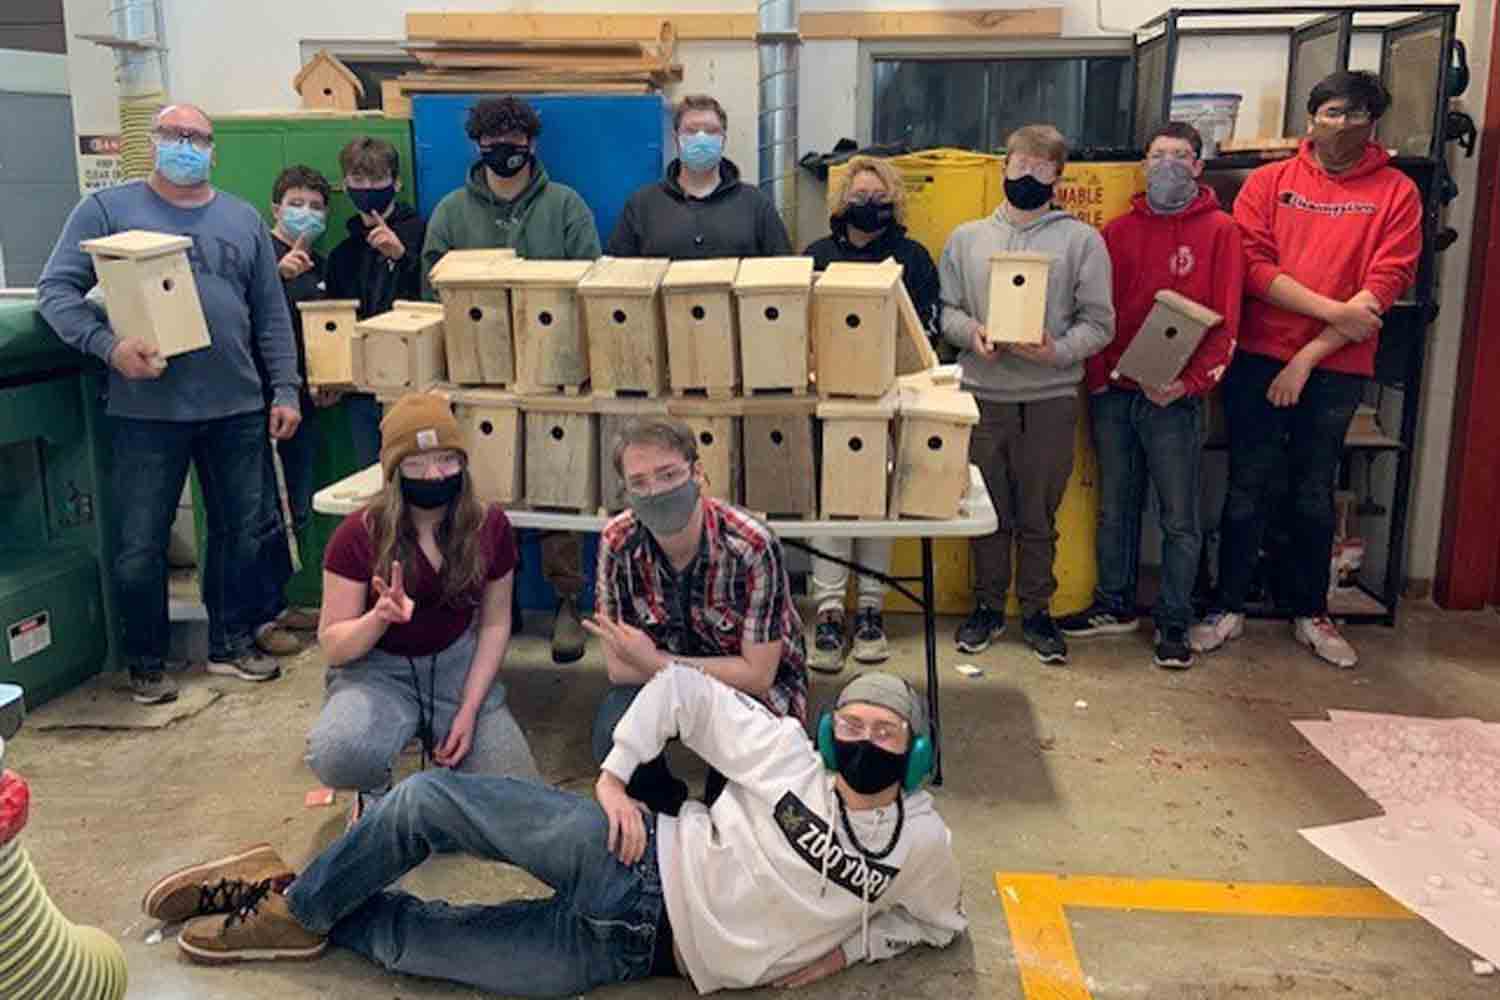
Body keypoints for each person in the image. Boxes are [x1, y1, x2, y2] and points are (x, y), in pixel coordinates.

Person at [150, 669, 966, 997]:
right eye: (851, 725)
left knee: (410, 949)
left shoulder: (923, 848)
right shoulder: (788, 755)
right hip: (637, 860)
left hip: (630, 958)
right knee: (432, 799)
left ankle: (286, 891)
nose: (865, 743)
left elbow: (934, 923)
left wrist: (844, 950)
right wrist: (613, 775)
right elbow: (681, 690)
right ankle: (301, 909)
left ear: (917, 753)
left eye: (886, 734)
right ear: (828, 735)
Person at [37, 104, 299, 704]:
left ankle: (232, 642)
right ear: (154, 143)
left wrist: (283, 389)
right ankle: (147, 662)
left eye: (198, 138)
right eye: (175, 135)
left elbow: (270, 314)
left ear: (214, 149)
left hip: (236, 404)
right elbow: (56, 292)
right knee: (140, 541)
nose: (187, 146)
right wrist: (109, 346)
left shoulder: (241, 218)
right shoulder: (107, 211)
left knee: (243, 532)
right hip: (146, 412)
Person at [1191, 71, 1421, 669]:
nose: (1345, 125)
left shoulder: (1396, 192)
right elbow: (1254, 269)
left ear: (1374, 124)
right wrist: (1331, 311)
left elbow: (1384, 286)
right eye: (1335, 112)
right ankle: (1229, 606)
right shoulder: (1271, 183)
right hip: (1258, 358)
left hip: (1334, 366)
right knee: (1246, 486)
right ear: (1312, 116)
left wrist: (1306, 356)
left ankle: (1311, 612)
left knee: (1314, 492)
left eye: (1359, 115)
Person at [421, 95, 602, 665]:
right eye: (493, 143)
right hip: (477, 377)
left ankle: (567, 601)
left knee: (560, 485)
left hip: (552, 374)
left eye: (514, 142)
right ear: (477, 146)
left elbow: (589, 279)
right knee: (484, 491)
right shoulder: (451, 211)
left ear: (532, 144)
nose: (505, 153)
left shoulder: (566, 205)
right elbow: (433, 287)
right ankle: (493, 600)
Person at [1057, 122, 1244, 670]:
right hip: (1116, 393)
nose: (1167, 165)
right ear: (1143, 164)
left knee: (1179, 516)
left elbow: (1228, 321)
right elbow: (1094, 314)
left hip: (1176, 399)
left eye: (1179, 156)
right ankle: (1115, 604)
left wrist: (1187, 384)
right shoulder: (1116, 233)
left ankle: (1173, 620)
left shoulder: (1221, 232)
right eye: (1157, 155)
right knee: (1116, 507)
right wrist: (1098, 381)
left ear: (1198, 167)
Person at [308, 393, 540, 825]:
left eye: (447, 460)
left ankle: (436, 791)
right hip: (377, 670)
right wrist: (377, 619)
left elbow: (494, 623)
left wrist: (469, 710)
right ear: (395, 472)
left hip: (455, 665)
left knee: (518, 796)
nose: (434, 475)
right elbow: (334, 645)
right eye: (416, 464)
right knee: (340, 753)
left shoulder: (489, 525)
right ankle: (374, 788)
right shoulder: (357, 534)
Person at [939, 124, 1115, 665]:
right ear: (1003, 167)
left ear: (1058, 176)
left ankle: (1036, 612)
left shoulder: (1082, 242)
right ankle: (988, 608)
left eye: (1042, 168)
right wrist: (973, 336)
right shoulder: (966, 238)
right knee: (986, 513)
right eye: (1020, 165)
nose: (1028, 176)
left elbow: (1100, 323)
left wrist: (1057, 351)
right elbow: (946, 312)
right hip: (982, 396)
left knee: (1039, 515)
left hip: (1050, 398)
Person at [586, 417, 809, 816]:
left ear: (698, 473)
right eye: (639, 482)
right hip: (679, 678)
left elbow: (759, 674)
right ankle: (661, 804)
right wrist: (665, 672)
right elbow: (619, 670)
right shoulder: (616, 542)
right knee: (612, 732)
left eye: (669, 474)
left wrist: (655, 663)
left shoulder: (752, 544)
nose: (655, 491)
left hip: (751, 693)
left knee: (737, 814)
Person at [802, 155, 941, 673]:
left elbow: (926, 331)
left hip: (890, 395)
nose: (869, 206)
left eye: (879, 199)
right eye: (860, 197)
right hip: (830, 398)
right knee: (833, 505)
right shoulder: (817, 255)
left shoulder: (913, 256)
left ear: (894, 203)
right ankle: (831, 613)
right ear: (842, 202)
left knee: (879, 508)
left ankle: (870, 613)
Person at [250, 163, 336, 659]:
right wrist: (276, 279)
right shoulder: (258, 257)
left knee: (295, 508)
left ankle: (280, 604)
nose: (306, 213)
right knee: (262, 511)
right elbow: (240, 321)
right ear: (276, 207)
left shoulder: (319, 265)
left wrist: (328, 383)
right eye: (296, 203)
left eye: (317, 206)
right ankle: (259, 618)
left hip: (306, 402)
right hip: (260, 403)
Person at [325, 136, 427, 469]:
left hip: (412, 382)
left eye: (377, 180)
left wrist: (401, 257)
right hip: (361, 389)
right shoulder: (342, 254)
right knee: (372, 479)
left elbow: (433, 300)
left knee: (417, 472)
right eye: (358, 180)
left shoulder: (420, 233)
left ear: (396, 182)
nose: (367, 188)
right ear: (346, 184)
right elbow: (336, 322)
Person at [606, 94, 792, 259]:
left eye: (711, 131)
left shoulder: (756, 204)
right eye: (691, 131)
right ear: (676, 138)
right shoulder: (641, 206)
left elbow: (784, 274)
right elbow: (614, 278)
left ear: (723, 139)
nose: (701, 138)